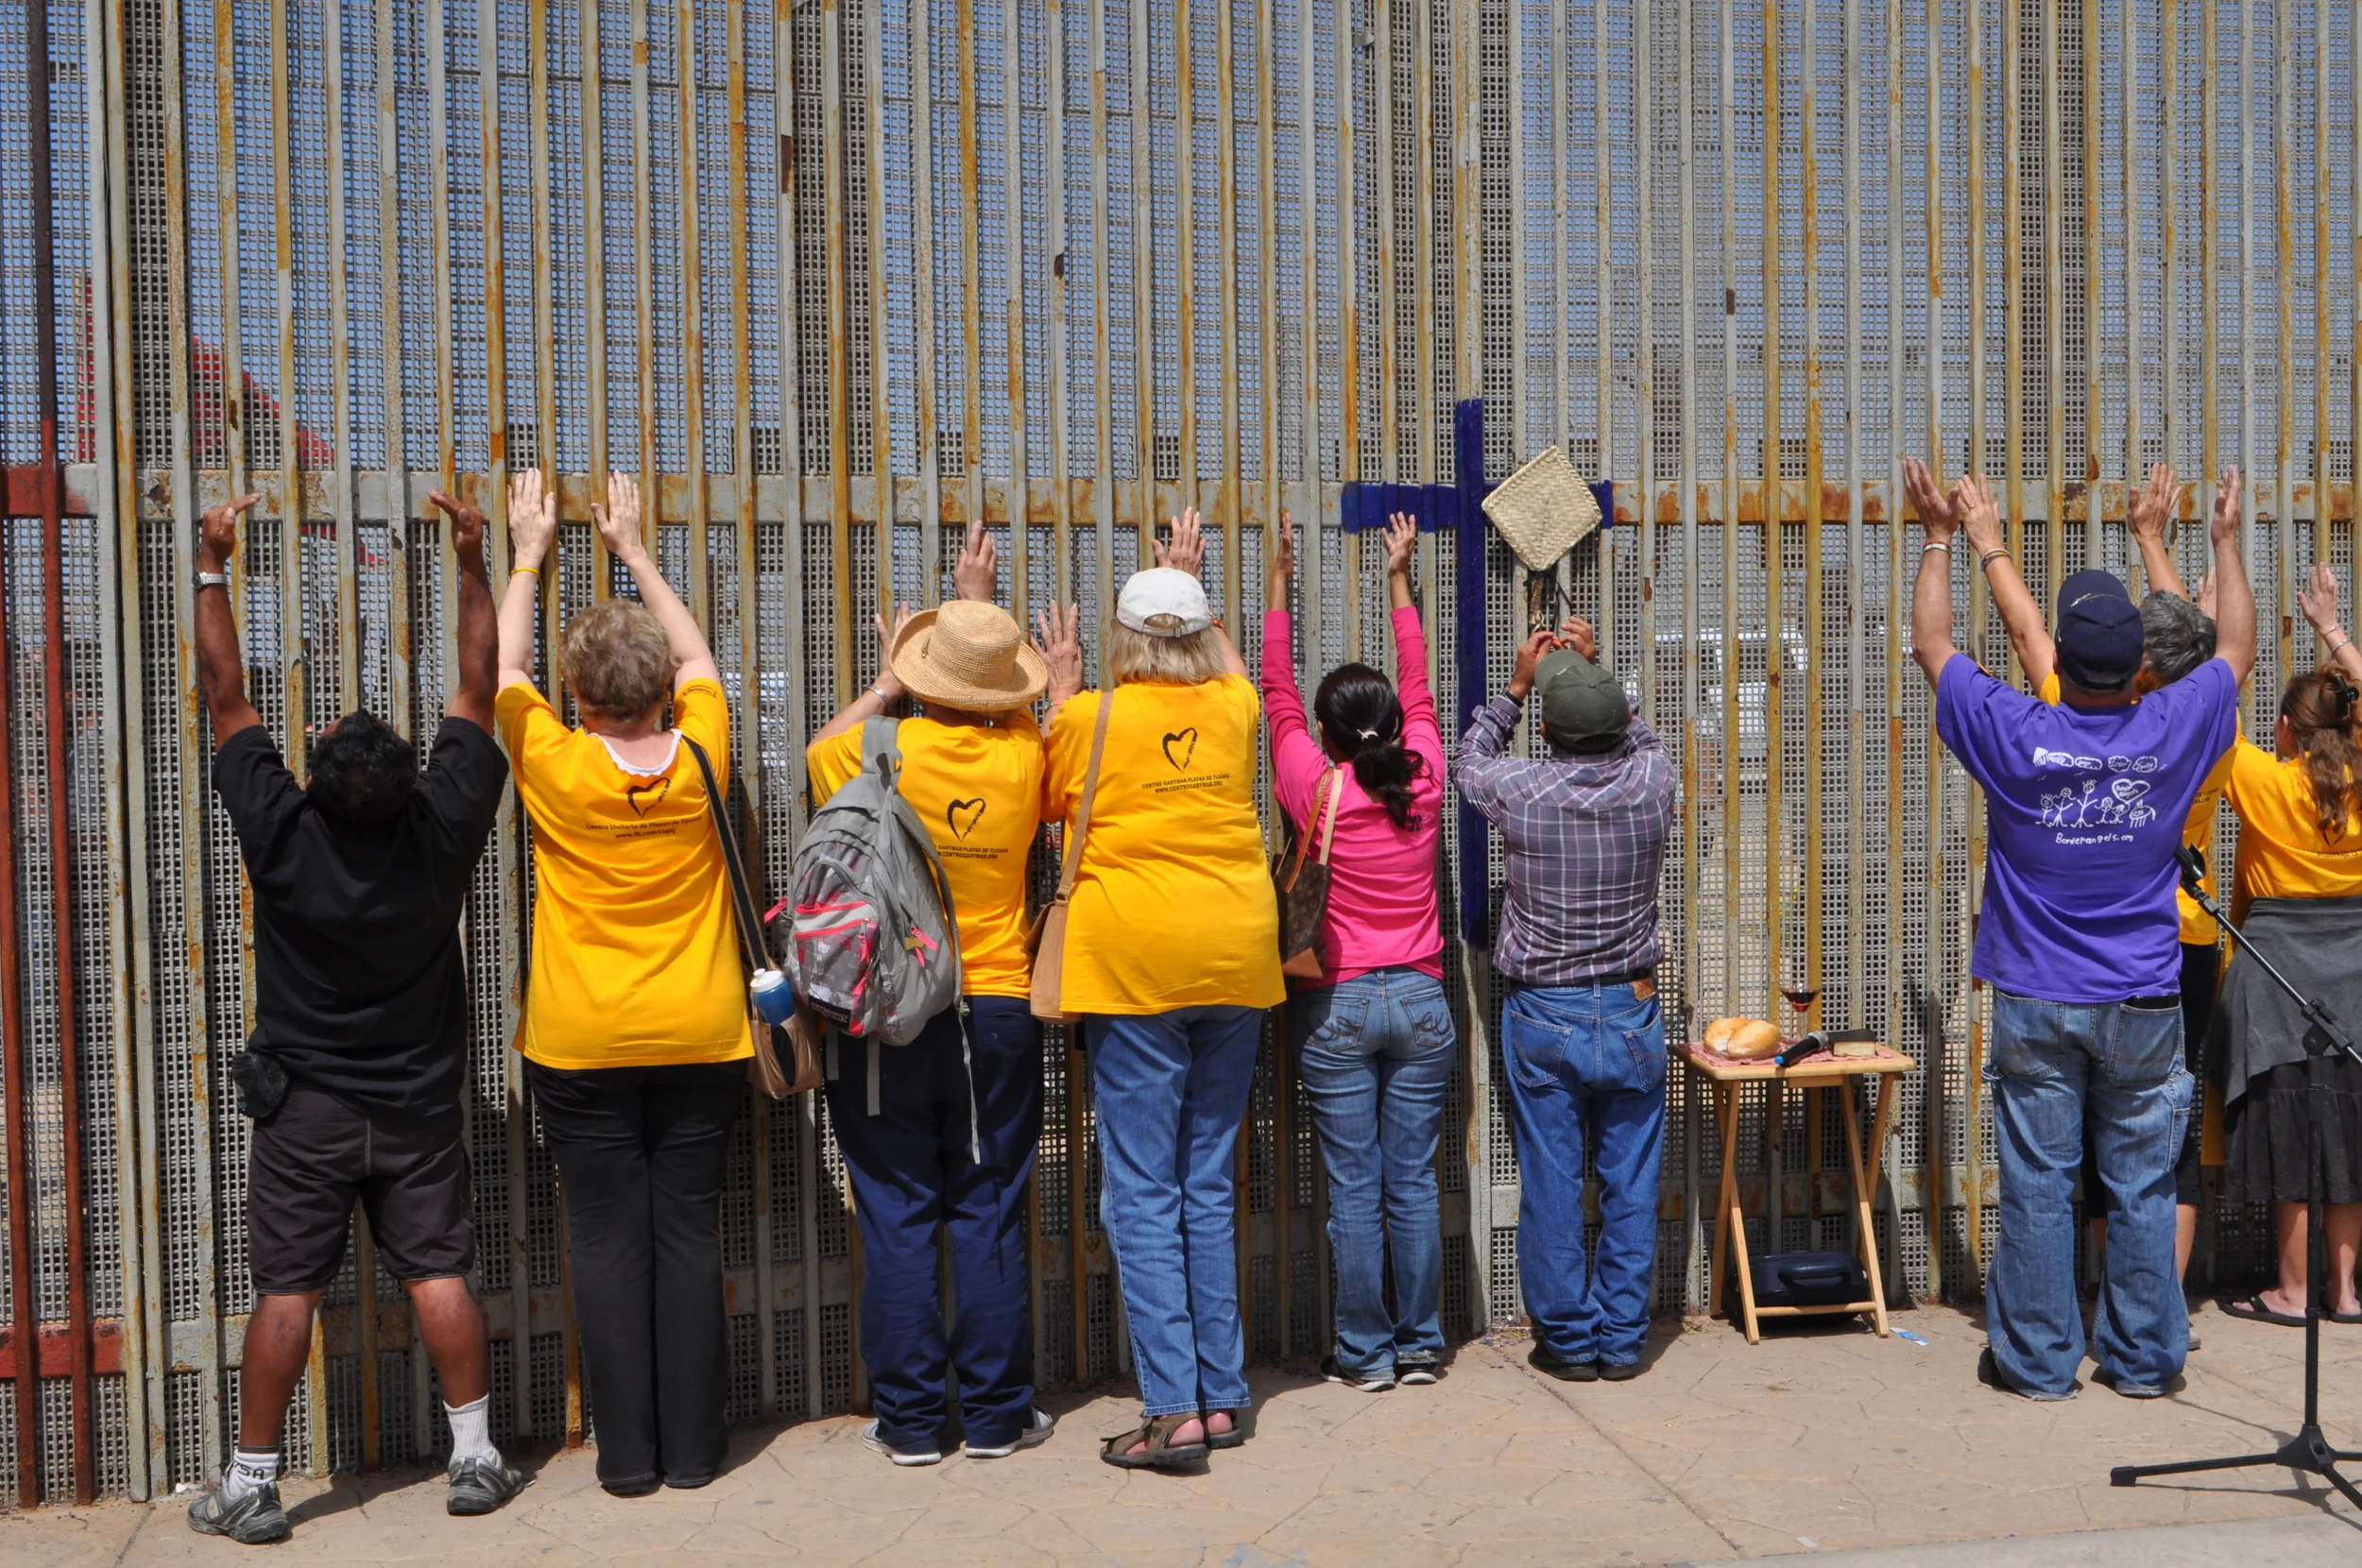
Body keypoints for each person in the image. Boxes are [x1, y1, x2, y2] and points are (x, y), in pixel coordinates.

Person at [186, 489, 527, 1542]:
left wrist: (210, 565)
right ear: (401, 781)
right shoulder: (441, 829)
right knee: (437, 1271)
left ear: (318, 779)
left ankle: (252, 1483)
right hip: (417, 1103)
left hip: (308, 1111)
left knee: (288, 1287)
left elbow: (224, 691)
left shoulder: (282, 834)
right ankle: (474, 1457)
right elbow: (477, 684)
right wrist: (471, 557)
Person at [1904, 458, 2254, 1402]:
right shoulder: (2171, 728)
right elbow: (2233, 653)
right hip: (2143, 991)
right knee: (2143, 1183)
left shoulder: (2022, 730)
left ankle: (2035, 1359)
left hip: (2038, 992)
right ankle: (2142, 1359)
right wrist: (2217, 541)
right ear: (2136, 666)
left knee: (2038, 1181)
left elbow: (1933, 645)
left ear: (2062, 656)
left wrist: (1945, 536)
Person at [497, 469, 748, 1495]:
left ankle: (628, 1462)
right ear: (659, 696)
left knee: (605, 1242)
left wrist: (528, 550)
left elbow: (503, 659)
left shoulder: (554, 764)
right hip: (702, 1029)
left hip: (581, 1037)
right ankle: (693, 1454)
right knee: (687, 1235)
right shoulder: (701, 762)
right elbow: (697, 652)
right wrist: (635, 547)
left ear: (580, 700)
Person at [1034, 509, 1285, 1468]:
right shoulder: (1232, 709)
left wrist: (1061, 685)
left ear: (1123, 641)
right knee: (1205, 1180)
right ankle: (1221, 1397)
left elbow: (1050, 801)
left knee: (1139, 1191)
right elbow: (1222, 661)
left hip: (1134, 963)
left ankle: (1173, 1407)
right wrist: (1187, 581)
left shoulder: (1090, 716)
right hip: (1233, 955)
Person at [804, 522, 1057, 1464]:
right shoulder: (1024, 758)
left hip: (889, 1013)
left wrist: (887, 683)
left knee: (898, 1207)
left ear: (920, 676)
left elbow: (811, 754)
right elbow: (1044, 734)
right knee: (986, 1204)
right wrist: (987, 612)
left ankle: (911, 1423)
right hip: (994, 1006)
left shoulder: (879, 749)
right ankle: (995, 1415)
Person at [1970, 462, 2232, 1304]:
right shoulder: (2201, 730)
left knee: (2067, 1144)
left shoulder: (2077, 713)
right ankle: (2156, 1305)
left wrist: (1986, 544)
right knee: (2156, 1152)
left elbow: (2028, 634)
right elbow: (2195, 647)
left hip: (2068, 961)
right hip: (2173, 952)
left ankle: (2079, 1300)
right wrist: (2156, 542)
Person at [1456, 616, 1676, 1382]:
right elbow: (1645, 739)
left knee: (1550, 1178)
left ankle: (1570, 1341)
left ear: (1545, 729)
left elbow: (1468, 762)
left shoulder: (1522, 790)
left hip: (1544, 1011)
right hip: (1629, 1010)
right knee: (1631, 1178)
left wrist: (1516, 687)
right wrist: (1595, 666)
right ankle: (1621, 1340)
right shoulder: (1654, 783)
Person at [1261, 510, 1453, 1393]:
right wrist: (1399, 581)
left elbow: (1276, 701)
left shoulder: (1316, 791)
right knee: (1411, 1184)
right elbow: (1420, 688)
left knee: (1354, 1189)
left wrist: (1276, 591)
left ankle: (1367, 1355)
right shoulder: (1425, 774)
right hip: (1420, 1000)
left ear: (1331, 739)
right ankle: (1421, 1347)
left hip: (1338, 1004)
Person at [2209, 560, 2362, 1327]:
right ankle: (2345, 1292)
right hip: (2357, 973)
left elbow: (2207, 716)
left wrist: (2213, 625)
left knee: (2293, 1125)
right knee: (2347, 1121)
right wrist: (2334, 630)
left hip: (2276, 977)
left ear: (2284, 730)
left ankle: (2294, 1292)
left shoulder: (2266, 782)